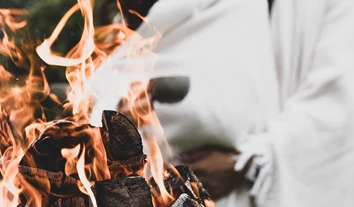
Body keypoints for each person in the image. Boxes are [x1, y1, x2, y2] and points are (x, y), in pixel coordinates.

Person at [102, 0, 354, 206]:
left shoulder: (332, 7)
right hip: (162, 182)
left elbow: (336, 104)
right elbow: (129, 59)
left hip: (256, 186)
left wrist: (250, 162)